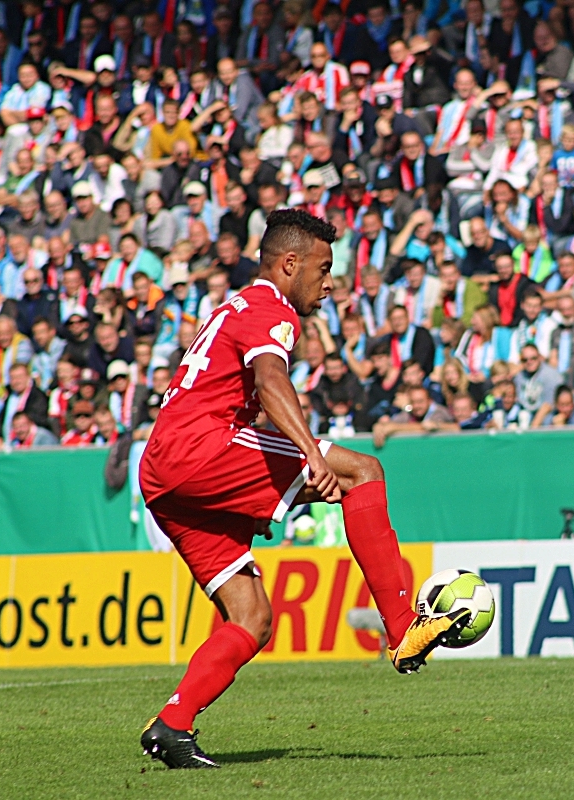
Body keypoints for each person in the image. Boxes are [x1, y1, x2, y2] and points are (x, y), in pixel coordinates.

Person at [138, 210, 468, 769]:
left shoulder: (233, 307)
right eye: (324, 267)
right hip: (200, 452)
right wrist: (312, 457)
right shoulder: (272, 309)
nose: (330, 282)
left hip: (164, 471)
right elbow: (270, 380)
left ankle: (172, 725)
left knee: (252, 617)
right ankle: (403, 627)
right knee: (363, 470)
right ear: (290, 264)